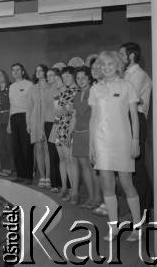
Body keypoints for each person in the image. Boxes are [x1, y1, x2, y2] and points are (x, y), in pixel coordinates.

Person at [89, 51, 141, 242]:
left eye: (110, 64)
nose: (106, 68)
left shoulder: (127, 86)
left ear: (117, 65)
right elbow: (93, 119)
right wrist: (91, 146)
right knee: (107, 186)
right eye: (103, 65)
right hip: (101, 142)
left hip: (123, 141)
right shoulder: (95, 89)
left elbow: (134, 116)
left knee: (127, 183)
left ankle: (137, 227)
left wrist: (135, 141)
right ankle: (114, 227)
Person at [119, 42, 153, 214]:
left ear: (131, 56)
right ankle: (135, 210)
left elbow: (128, 97)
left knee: (137, 168)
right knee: (128, 168)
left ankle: (144, 211)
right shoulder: (124, 74)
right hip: (125, 119)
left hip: (136, 119)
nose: (119, 58)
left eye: (121, 54)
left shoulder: (139, 75)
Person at [71, 66, 102, 209]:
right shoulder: (77, 95)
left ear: (89, 78)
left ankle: (98, 197)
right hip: (78, 133)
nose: (81, 80)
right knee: (84, 168)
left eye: (83, 77)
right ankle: (90, 197)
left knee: (93, 167)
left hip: (90, 132)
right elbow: (74, 116)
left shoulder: (94, 91)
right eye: (78, 78)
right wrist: (70, 133)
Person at [55, 66, 78, 203]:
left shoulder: (77, 91)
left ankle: (74, 191)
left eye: (68, 77)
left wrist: (64, 111)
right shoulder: (65, 92)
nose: (65, 79)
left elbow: (72, 112)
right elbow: (59, 112)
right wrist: (63, 111)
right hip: (60, 127)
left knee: (71, 160)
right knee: (62, 159)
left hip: (71, 128)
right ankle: (65, 187)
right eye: (63, 78)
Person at [9, 63, 34, 184]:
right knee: (16, 147)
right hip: (14, 117)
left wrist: (30, 122)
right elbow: (11, 105)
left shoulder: (29, 85)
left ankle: (28, 176)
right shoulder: (12, 86)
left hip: (26, 116)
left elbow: (31, 104)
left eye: (18, 70)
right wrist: (9, 123)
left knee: (26, 148)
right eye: (13, 70)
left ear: (22, 71)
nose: (15, 72)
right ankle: (20, 174)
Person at [41, 69, 62, 192]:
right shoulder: (46, 90)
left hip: (59, 123)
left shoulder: (60, 89)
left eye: (51, 75)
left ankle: (63, 183)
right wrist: (43, 127)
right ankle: (54, 183)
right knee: (52, 153)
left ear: (56, 77)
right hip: (48, 124)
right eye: (47, 75)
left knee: (61, 155)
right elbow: (44, 109)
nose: (48, 77)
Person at [30, 65, 49, 187]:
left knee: (48, 150)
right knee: (39, 149)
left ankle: (49, 177)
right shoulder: (33, 88)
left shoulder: (50, 86)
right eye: (36, 70)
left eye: (40, 70)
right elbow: (29, 107)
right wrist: (28, 123)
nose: (38, 72)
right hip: (35, 121)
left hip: (47, 120)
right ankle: (42, 176)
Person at [0, 70, 13, 177]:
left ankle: (10, 168)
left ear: (5, 76)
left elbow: (12, 106)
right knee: (1, 145)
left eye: (0, 75)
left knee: (9, 144)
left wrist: (10, 123)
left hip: (7, 117)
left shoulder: (11, 88)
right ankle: (4, 168)